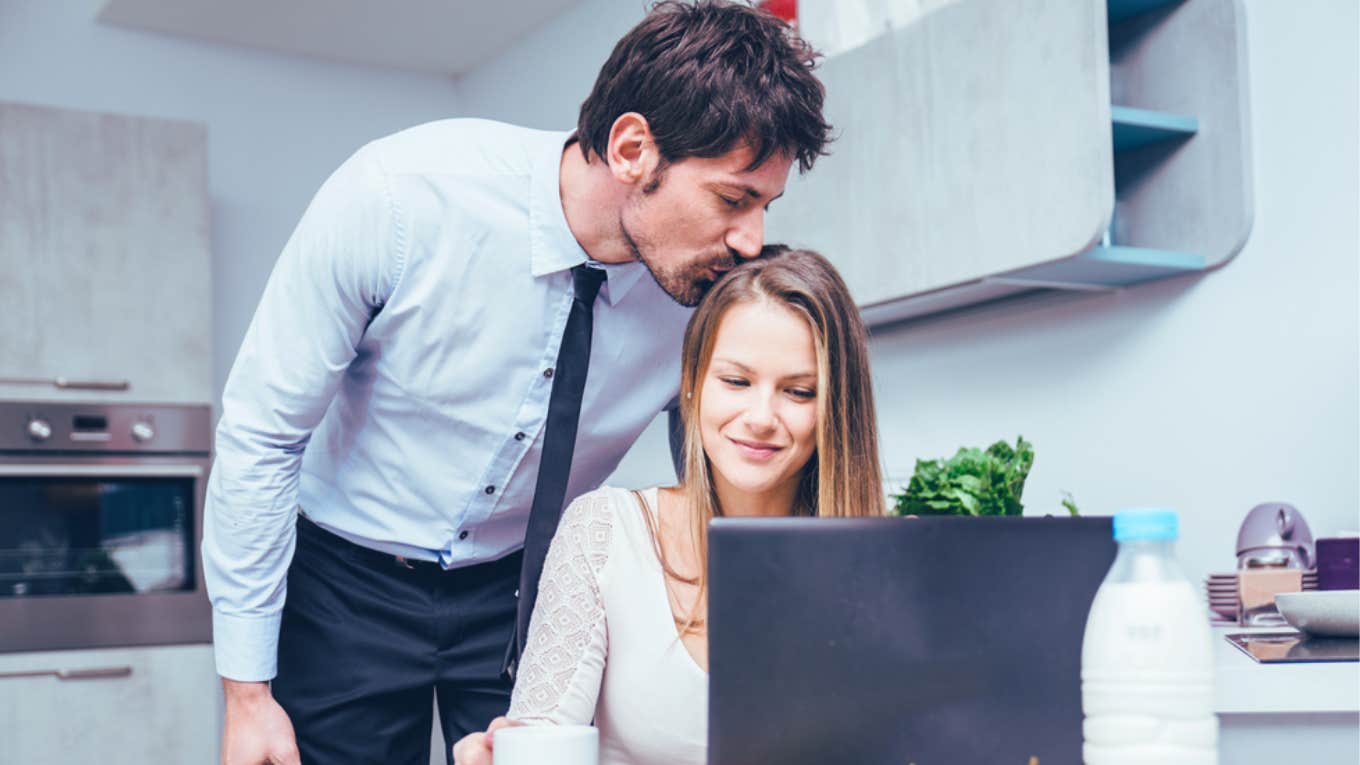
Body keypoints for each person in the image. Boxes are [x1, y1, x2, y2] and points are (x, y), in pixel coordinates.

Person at [205, 2, 831, 764]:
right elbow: (263, 433)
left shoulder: (706, 287)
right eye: (734, 199)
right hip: (344, 581)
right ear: (633, 148)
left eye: (765, 207)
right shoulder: (400, 197)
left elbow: (721, 462)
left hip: (527, 588)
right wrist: (247, 694)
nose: (750, 239)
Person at [452, 248, 885, 765]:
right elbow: (543, 732)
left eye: (798, 391)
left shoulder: (882, 566)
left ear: (836, 408)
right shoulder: (605, 533)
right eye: (736, 381)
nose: (761, 417)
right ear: (692, 383)